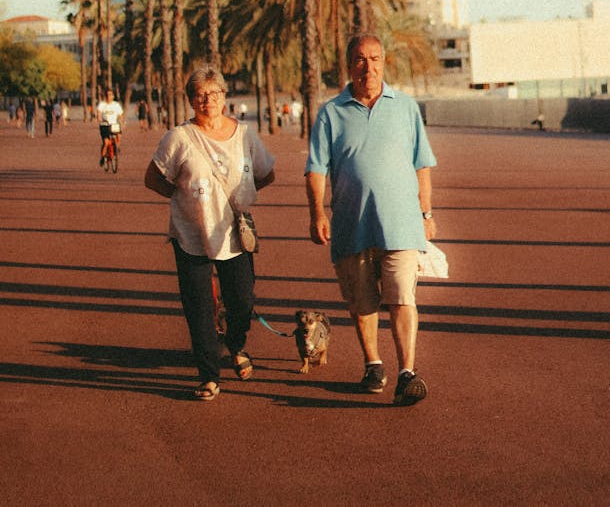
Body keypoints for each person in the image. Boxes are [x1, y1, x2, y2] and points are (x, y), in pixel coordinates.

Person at [305, 34, 438, 407]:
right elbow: (316, 169)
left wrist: (426, 214)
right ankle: (373, 364)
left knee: (402, 298)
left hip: (402, 224)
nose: (369, 67)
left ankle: (407, 372)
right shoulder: (331, 113)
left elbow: (421, 164)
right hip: (351, 224)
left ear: (385, 62)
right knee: (362, 302)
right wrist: (317, 212)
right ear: (349, 66)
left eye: (375, 59)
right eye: (360, 60)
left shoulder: (406, 107)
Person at [144, 65, 275, 402]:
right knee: (199, 307)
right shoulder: (178, 138)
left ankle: (236, 343)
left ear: (224, 97)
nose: (208, 100)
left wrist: (239, 198)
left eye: (214, 93)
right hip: (190, 233)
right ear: (190, 100)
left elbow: (265, 173)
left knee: (242, 300)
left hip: (235, 230)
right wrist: (185, 199)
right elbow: (153, 178)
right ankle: (208, 375)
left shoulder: (245, 134)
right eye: (200, 94)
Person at [97, 88, 124, 166]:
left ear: (113, 96)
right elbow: (98, 113)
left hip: (114, 125)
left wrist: (121, 120)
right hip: (105, 125)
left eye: (110, 95)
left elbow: (120, 114)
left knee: (119, 135)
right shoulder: (102, 104)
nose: (109, 96)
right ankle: (103, 157)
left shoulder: (116, 105)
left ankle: (117, 147)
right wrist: (99, 118)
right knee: (106, 142)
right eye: (107, 95)